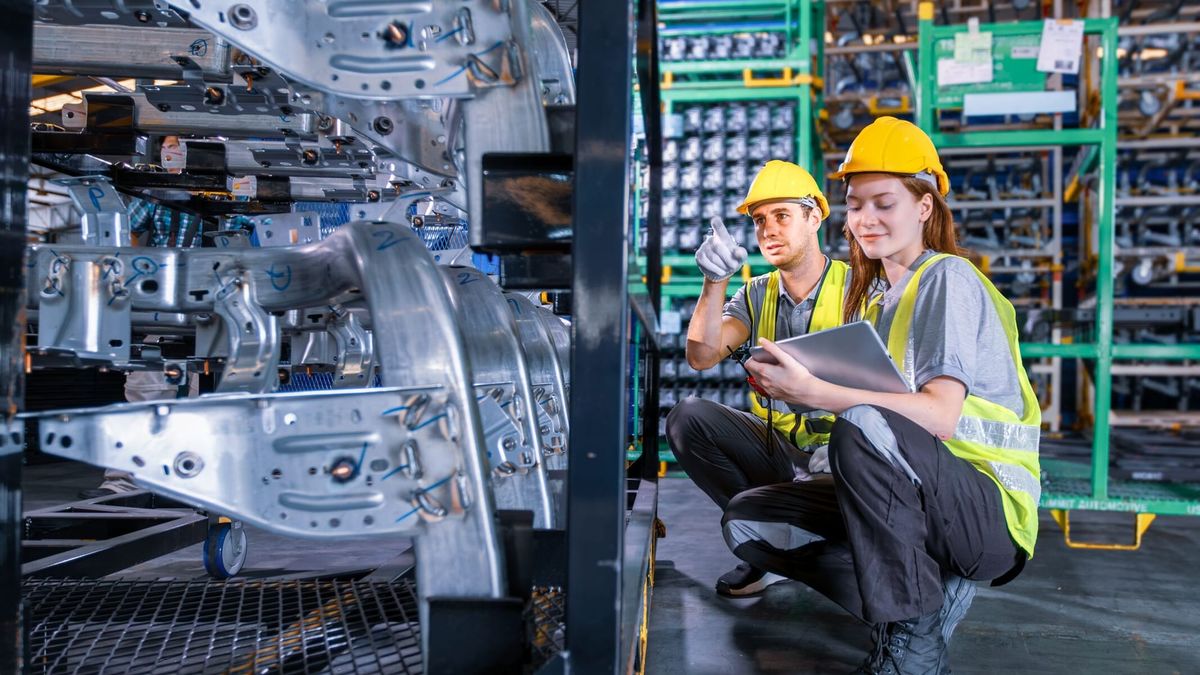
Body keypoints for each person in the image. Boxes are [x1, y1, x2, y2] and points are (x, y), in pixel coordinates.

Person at [728, 117, 1040, 673]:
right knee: (749, 522)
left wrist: (818, 391)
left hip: (985, 514)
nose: (865, 219)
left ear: (924, 207)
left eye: (884, 203)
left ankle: (914, 643)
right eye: (856, 204)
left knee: (860, 424)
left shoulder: (947, 278)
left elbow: (941, 416)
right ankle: (913, 593)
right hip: (920, 494)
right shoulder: (878, 300)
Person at [665, 160, 850, 596]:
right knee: (687, 418)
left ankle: (808, 545)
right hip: (784, 453)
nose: (768, 230)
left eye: (781, 216)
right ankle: (767, 549)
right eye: (759, 220)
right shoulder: (756, 293)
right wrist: (715, 281)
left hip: (849, 456)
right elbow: (701, 355)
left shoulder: (859, 287)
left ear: (814, 216)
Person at [79, 136, 202, 499]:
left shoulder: (233, 188)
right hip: (164, 303)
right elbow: (129, 232)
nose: (171, 152)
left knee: (198, 395)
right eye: (167, 146)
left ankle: (188, 482)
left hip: (212, 306)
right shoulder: (156, 192)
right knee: (144, 388)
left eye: (178, 145)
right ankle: (122, 482)